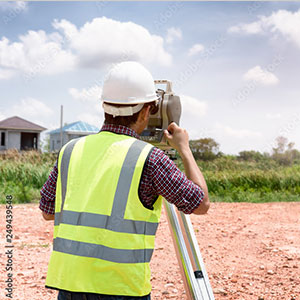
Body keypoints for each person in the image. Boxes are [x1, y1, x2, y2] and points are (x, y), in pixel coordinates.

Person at [39, 61, 210, 300]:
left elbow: (48, 211)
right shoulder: (148, 158)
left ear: (104, 105)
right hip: (120, 290)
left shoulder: (70, 150)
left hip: (69, 287)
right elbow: (200, 204)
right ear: (145, 110)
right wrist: (184, 150)